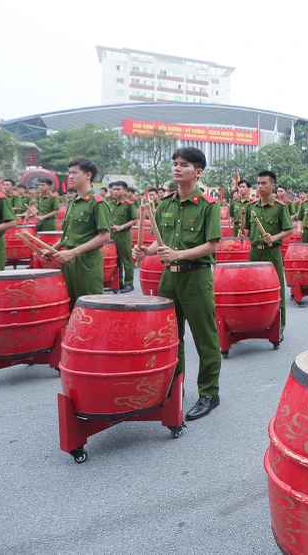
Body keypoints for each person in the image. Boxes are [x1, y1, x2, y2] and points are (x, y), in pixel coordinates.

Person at [132, 148, 222, 421]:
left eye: (184, 164)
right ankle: (175, 385)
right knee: (171, 336)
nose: (177, 168)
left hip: (196, 276)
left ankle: (209, 392)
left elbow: (212, 245)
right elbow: (159, 243)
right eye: (175, 164)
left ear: (198, 172)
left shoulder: (208, 204)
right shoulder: (166, 204)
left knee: (205, 336)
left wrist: (179, 254)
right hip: (169, 278)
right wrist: (144, 252)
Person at [50, 159, 111, 309]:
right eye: (69, 172)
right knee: (69, 302)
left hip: (87, 260)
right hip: (68, 259)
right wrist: (53, 248)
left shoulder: (97, 203)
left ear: (88, 175)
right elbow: (68, 234)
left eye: (74, 173)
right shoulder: (73, 202)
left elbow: (105, 236)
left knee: (90, 304)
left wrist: (74, 252)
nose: (70, 176)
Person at [245, 170, 293, 336]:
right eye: (258, 183)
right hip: (254, 253)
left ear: (273, 186)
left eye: (264, 183)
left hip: (272, 253)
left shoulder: (280, 208)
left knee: (277, 288)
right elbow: (246, 229)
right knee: (253, 288)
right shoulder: (251, 207)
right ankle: (255, 322)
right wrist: (242, 233)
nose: (260, 186)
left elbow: (288, 230)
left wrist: (274, 237)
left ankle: (278, 326)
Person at [107, 181, 137, 293]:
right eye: (113, 189)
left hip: (123, 234)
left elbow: (134, 220)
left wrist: (120, 227)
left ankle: (129, 283)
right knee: (116, 260)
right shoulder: (110, 203)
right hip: (111, 235)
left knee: (127, 260)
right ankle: (118, 283)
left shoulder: (129, 204)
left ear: (125, 191)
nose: (115, 191)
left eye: (118, 189)